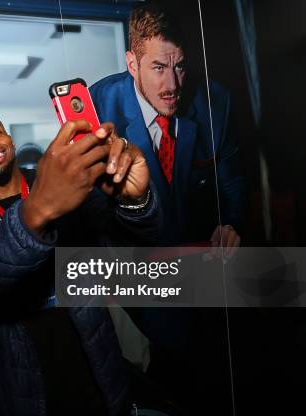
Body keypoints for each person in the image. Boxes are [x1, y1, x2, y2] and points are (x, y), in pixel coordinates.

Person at [0, 109, 159, 416]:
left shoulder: (65, 189)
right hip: (23, 393)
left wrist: (134, 201)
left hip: (98, 378)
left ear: (11, 142)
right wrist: (36, 212)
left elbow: (125, 251)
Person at [89, 4, 246, 413]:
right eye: (158, 67)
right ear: (131, 63)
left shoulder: (215, 103)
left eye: (180, 67)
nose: (173, 83)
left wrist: (229, 222)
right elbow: (87, 212)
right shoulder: (97, 108)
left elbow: (231, 183)